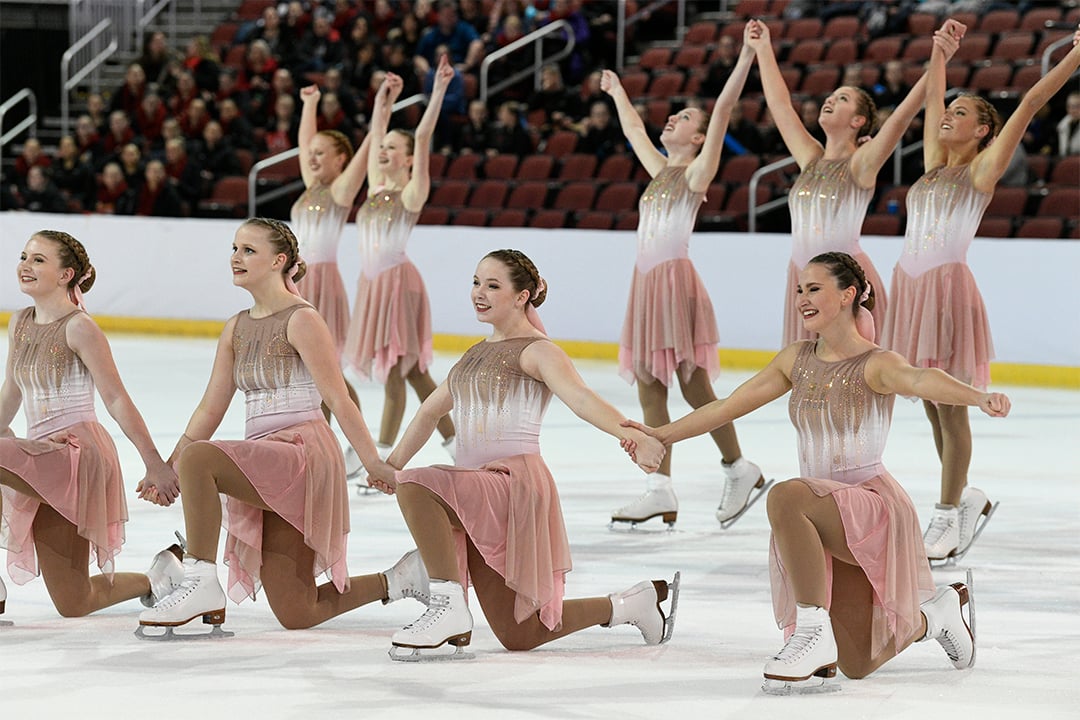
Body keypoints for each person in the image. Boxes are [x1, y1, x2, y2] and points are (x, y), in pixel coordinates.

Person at [622, 252, 1010, 690]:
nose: (802, 299)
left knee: (787, 495)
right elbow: (728, 406)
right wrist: (662, 435)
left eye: (814, 289)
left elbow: (923, 380)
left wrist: (976, 397)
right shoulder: (796, 359)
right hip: (824, 517)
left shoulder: (876, 363)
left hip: (871, 510)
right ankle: (936, 616)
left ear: (848, 295)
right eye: (799, 290)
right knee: (858, 662)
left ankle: (810, 631)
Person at [367, 249, 678, 659]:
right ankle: (630, 604)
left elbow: (582, 399)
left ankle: (447, 605)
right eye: (476, 282)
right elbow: (429, 411)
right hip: (477, 490)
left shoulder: (537, 350)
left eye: (493, 285)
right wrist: (392, 465)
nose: (479, 293)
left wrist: (633, 436)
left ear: (522, 296)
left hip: (512, 485)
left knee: (419, 486)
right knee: (522, 635)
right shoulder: (473, 354)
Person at [138, 218, 426, 635]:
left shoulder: (301, 319)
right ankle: (398, 580)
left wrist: (371, 462)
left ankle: (200, 582)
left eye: (249, 250)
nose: (236, 257)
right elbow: (209, 408)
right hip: (265, 460)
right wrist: (167, 466)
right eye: (234, 248)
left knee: (201, 458)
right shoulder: (236, 327)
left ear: (279, 261)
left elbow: (338, 398)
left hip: (301, 455)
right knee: (298, 611)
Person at [882, 27, 1080, 563]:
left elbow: (1034, 101)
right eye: (951, 109)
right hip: (911, 290)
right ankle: (962, 498)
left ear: (984, 130)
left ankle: (948, 513)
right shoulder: (930, 169)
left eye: (963, 112)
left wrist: (1077, 54)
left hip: (946, 291)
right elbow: (929, 101)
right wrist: (937, 55)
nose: (949, 114)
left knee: (951, 408)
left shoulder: (982, 170)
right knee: (927, 400)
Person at [600, 33, 765, 528]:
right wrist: (617, 94)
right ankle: (659, 487)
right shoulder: (658, 173)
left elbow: (724, 110)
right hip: (646, 285)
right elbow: (633, 131)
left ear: (698, 139)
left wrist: (746, 57)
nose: (673, 119)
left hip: (674, 282)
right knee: (650, 383)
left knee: (695, 387)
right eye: (672, 116)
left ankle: (738, 467)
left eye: (685, 119)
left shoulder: (696, 174)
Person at [0, 230, 184, 620]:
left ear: (66, 275)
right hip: (40, 457)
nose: (25, 265)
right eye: (24, 256)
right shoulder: (20, 322)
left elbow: (116, 398)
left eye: (38, 259)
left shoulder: (79, 327)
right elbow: (11, 393)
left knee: (72, 603)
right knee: (75, 602)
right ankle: (159, 576)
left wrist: (154, 463)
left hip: (76, 455)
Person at [745, 19, 962, 347]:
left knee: (850, 378)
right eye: (832, 95)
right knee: (808, 378)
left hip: (844, 280)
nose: (830, 99)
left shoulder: (861, 164)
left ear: (858, 121)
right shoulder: (811, 158)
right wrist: (762, 49)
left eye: (842, 99)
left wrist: (939, 57)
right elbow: (779, 105)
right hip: (804, 277)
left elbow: (902, 115)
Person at [342, 59, 457, 469]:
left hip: (397, 286)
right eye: (385, 147)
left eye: (394, 147)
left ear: (408, 158)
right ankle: (457, 443)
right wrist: (382, 100)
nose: (385, 150)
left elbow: (423, 135)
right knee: (414, 374)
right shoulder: (375, 187)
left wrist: (439, 88)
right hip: (374, 285)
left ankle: (382, 456)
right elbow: (374, 135)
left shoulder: (412, 192)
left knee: (395, 370)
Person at [294, 83, 375, 477]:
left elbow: (364, 155)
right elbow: (304, 142)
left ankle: (360, 447)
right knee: (311, 374)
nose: (311, 158)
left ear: (340, 159)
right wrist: (309, 105)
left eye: (321, 154)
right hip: (297, 283)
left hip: (321, 285)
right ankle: (319, 446)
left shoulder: (340, 190)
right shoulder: (312, 187)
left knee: (328, 374)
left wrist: (381, 113)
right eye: (310, 155)